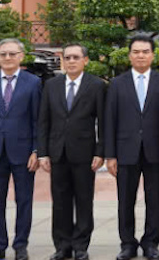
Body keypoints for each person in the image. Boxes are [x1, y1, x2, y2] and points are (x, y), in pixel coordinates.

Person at [105, 35, 159, 260]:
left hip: (154, 151)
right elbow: (110, 120)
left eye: (145, 51)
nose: (141, 55)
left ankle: (151, 243)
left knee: (154, 200)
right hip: (125, 152)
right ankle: (127, 244)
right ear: (129, 55)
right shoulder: (116, 84)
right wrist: (110, 155)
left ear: (153, 55)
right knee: (125, 200)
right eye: (136, 52)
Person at [37, 43, 107, 260]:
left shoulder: (96, 85)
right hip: (57, 153)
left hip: (85, 154)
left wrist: (100, 151)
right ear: (62, 60)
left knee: (84, 201)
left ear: (85, 60)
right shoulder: (51, 85)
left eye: (76, 57)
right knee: (60, 202)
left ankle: (80, 246)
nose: (71, 61)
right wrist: (43, 153)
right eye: (67, 57)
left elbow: (103, 122)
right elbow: (43, 121)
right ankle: (62, 245)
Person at [0, 38, 42, 260]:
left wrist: (36, 150)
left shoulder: (33, 83)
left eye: (12, 54)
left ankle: (20, 245)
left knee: (24, 200)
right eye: (3, 54)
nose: (7, 58)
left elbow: (37, 120)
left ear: (21, 56)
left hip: (23, 153)